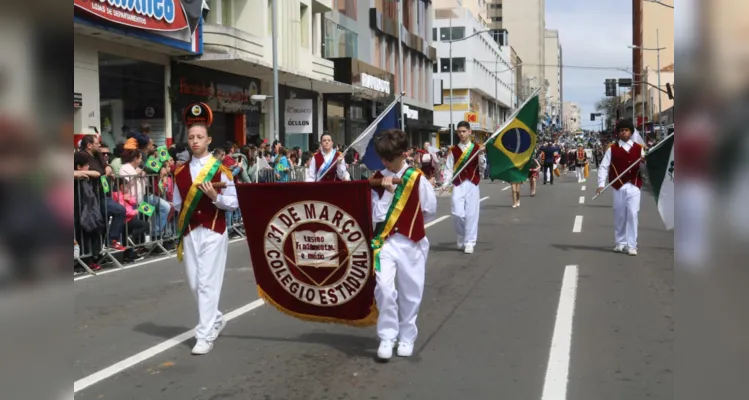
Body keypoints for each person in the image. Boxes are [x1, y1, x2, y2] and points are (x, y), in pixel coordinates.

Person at [172, 119, 238, 355]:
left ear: (208, 140)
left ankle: (205, 334)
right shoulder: (179, 171)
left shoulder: (221, 169)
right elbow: (178, 204)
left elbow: (233, 202)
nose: (195, 141)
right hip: (191, 231)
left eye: (200, 137)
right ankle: (216, 318)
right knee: (194, 282)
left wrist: (215, 197)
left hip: (213, 229)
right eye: (191, 137)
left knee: (208, 282)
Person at [369, 129, 437, 360]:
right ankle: (388, 336)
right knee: (385, 289)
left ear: (403, 154)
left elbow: (429, 210)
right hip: (385, 243)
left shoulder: (417, 178)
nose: (387, 161)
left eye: (391, 157)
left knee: (411, 293)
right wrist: (387, 193)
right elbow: (376, 217)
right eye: (384, 157)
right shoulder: (377, 178)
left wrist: (413, 226)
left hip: (411, 243)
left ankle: (407, 336)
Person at [596, 119, 645, 256]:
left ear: (631, 132)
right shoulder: (612, 149)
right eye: (621, 130)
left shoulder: (639, 148)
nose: (624, 133)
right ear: (618, 133)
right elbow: (604, 167)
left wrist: (644, 163)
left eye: (626, 130)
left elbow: (645, 169)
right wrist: (601, 184)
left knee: (632, 214)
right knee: (619, 214)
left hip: (634, 186)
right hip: (618, 186)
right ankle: (620, 242)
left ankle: (632, 245)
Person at [442, 121, 486, 254]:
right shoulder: (453, 150)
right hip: (458, 184)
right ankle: (461, 234)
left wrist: (481, 155)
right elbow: (449, 168)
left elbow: (482, 168)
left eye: (464, 131)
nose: (461, 134)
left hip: (472, 184)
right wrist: (445, 183)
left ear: (469, 132)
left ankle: (469, 242)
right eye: (459, 132)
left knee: (472, 214)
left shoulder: (477, 148)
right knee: (457, 213)